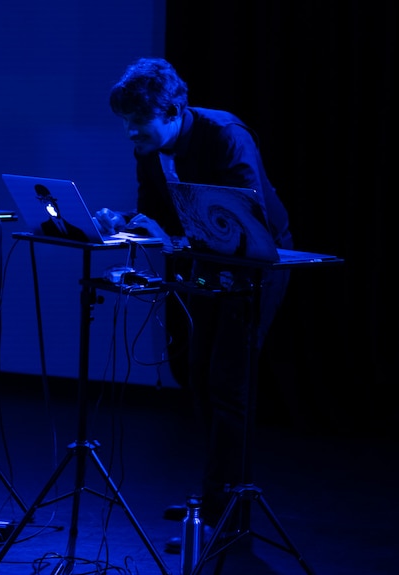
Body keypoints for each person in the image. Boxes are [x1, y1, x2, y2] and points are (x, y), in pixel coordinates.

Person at [95, 57, 294, 534]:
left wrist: (184, 240)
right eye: (126, 123)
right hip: (205, 264)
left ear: (172, 111)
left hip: (254, 266)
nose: (130, 133)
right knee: (200, 377)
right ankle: (220, 494)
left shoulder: (224, 134)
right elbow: (152, 213)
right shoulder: (149, 149)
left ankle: (228, 505)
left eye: (138, 123)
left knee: (228, 383)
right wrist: (123, 224)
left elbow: (250, 220)